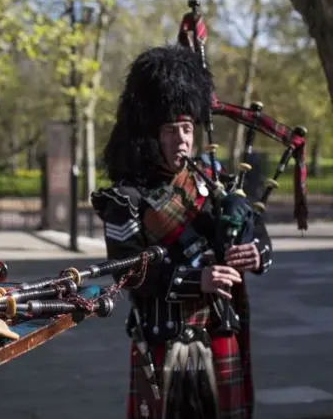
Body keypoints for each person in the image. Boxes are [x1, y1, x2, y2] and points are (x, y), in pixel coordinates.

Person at [91, 45, 272, 419]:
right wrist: (197, 279)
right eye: (171, 130)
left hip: (221, 331)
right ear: (149, 136)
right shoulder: (126, 199)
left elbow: (258, 231)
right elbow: (128, 271)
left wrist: (256, 251)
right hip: (162, 342)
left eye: (187, 128)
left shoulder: (215, 183)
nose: (182, 139)